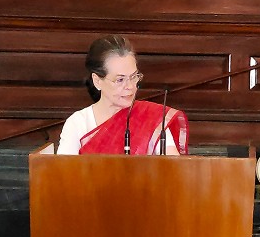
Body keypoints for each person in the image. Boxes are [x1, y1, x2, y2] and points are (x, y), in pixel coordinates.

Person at [57, 34, 189, 155]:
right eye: (120, 80)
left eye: (134, 77)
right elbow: (62, 175)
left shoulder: (151, 118)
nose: (130, 86)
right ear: (97, 81)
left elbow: (174, 172)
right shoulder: (78, 123)